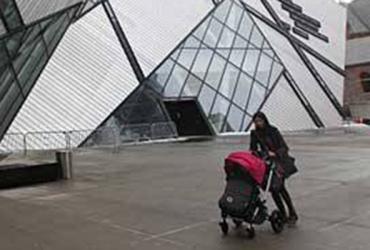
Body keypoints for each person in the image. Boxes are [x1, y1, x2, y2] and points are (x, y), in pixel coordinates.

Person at [249, 112, 298, 225]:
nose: (258, 123)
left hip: (280, 162)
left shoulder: (273, 130)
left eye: (260, 121)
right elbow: (253, 149)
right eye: (256, 122)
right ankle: (283, 214)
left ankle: (292, 213)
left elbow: (284, 147)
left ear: (264, 120)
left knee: (280, 188)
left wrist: (275, 153)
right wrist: (264, 153)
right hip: (267, 163)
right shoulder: (254, 133)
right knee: (273, 190)